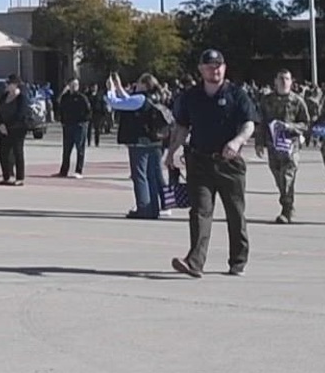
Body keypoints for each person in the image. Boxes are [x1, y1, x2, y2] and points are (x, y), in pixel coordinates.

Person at [167, 49, 259, 278]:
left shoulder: (237, 95)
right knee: (200, 212)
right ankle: (194, 262)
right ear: (201, 70)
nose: (214, 70)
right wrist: (170, 153)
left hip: (230, 164)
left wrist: (237, 142)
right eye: (209, 66)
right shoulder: (191, 97)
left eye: (218, 65)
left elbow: (249, 124)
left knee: (235, 213)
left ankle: (238, 261)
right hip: (199, 161)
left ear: (224, 68)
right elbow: (181, 127)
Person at [107, 71, 168, 219]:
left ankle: (144, 208)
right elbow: (129, 100)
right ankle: (153, 208)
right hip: (155, 141)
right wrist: (119, 86)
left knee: (139, 175)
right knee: (152, 176)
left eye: (139, 82)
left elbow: (116, 103)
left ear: (145, 85)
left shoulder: (140, 98)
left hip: (140, 142)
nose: (136, 84)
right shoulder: (156, 98)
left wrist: (110, 90)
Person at [260, 70, 312, 224]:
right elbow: (262, 122)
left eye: (287, 79)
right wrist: (259, 142)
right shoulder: (266, 100)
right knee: (279, 178)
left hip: (290, 147)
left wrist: (290, 127)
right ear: (275, 81)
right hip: (272, 146)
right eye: (281, 78)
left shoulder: (297, 101)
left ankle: (286, 210)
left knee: (287, 177)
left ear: (291, 82)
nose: (284, 81)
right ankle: (287, 202)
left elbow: (306, 124)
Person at [0, 76, 32, 186]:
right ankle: (7, 176)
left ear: (15, 84)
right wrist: (1, 124)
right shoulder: (4, 96)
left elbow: (20, 114)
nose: (7, 85)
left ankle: (20, 178)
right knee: (3, 152)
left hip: (17, 129)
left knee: (17, 152)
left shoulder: (22, 98)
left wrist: (8, 126)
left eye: (9, 83)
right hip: (4, 129)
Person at [54, 79, 90, 177]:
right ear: (69, 85)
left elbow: (88, 111)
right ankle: (63, 171)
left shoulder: (82, 97)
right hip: (68, 126)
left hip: (79, 126)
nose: (74, 86)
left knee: (80, 149)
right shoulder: (65, 98)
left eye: (76, 85)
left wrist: (83, 122)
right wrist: (62, 121)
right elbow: (59, 107)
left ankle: (78, 171)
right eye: (72, 85)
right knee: (66, 150)